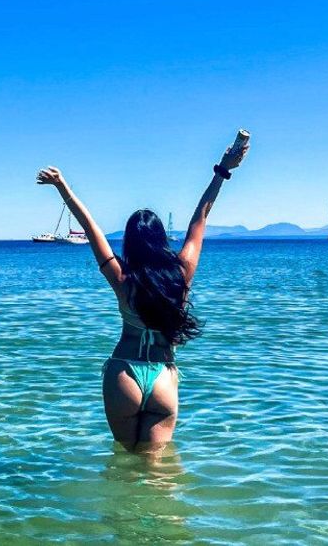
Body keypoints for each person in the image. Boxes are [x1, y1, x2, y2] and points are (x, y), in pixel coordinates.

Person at [36, 138, 249, 451]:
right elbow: (200, 217)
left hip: (125, 372)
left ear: (130, 244)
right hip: (162, 376)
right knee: (156, 474)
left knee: (124, 464)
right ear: (161, 240)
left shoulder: (122, 279)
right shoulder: (181, 273)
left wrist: (62, 186)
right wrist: (222, 171)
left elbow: (89, 225)